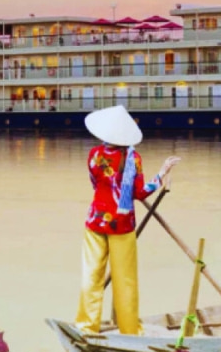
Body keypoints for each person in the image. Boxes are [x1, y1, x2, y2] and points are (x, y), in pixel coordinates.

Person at [75, 105, 180, 335]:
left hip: (95, 221)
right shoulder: (133, 158)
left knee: (91, 276)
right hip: (122, 226)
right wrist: (161, 174)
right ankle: (129, 330)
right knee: (125, 282)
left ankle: (86, 327)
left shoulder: (94, 155)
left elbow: (95, 183)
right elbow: (140, 192)